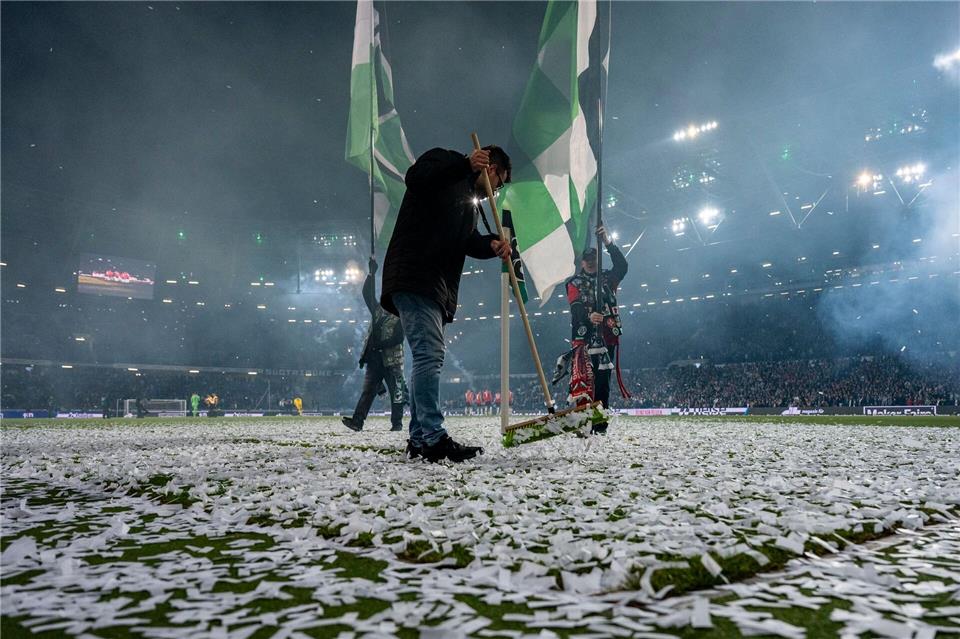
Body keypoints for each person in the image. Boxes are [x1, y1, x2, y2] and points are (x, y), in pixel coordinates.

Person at [381, 144, 512, 462]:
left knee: (426, 357)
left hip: (432, 282)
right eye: (500, 182)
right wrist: (466, 164)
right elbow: (418, 178)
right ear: (491, 169)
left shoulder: (467, 200)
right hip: (416, 275)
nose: (497, 190)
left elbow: (465, 240)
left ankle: (419, 438)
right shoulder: (447, 161)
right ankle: (434, 439)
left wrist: (491, 244)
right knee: (430, 355)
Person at [557, 225, 629, 433]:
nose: (590, 262)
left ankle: (599, 424)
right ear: (582, 262)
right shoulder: (574, 282)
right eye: (587, 260)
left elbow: (623, 266)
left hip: (607, 338)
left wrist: (608, 242)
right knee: (583, 380)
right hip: (584, 339)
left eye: (593, 259)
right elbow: (576, 307)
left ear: (597, 260)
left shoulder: (608, 278)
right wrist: (588, 317)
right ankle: (582, 423)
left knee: (603, 382)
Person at [342, 257, 407, 432]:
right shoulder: (378, 310)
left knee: (396, 393)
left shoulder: (401, 315)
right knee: (368, 390)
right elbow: (367, 294)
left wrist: (380, 344)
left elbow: (399, 338)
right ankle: (357, 421)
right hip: (375, 359)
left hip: (392, 360)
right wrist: (371, 274)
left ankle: (397, 424)